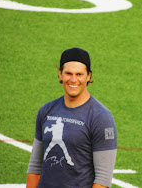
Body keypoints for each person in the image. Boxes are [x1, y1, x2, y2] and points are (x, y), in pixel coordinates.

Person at [26, 48, 117, 188]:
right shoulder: (46, 111)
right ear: (60, 74)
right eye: (68, 73)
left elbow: (103, 179)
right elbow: (35, 167)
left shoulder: (101, 117)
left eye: (79, 74)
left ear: (88, 76)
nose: (73, 80)